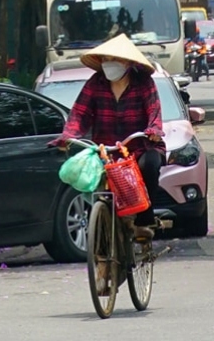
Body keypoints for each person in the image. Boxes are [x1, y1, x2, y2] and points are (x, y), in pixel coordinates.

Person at [58, 33, 166, 243]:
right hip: (106, 150)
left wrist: (153, 130)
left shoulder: (144, 83)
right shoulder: (96, 83)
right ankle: (101, 227)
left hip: (139, 146)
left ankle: (144, 220)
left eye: (113, 60)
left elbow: (154, 111)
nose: (108, 64)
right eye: (105, 60)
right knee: (95, 183)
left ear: (127, 63)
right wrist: (68, 135)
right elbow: (79, 113)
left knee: (150, 165)